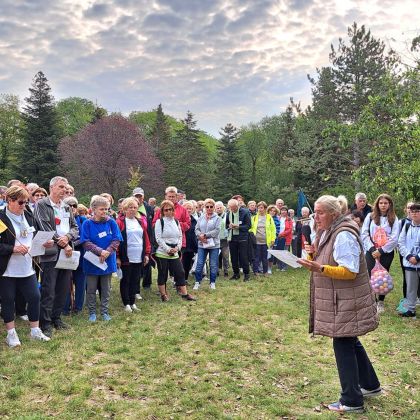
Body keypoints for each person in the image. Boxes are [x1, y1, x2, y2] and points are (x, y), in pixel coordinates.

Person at [298, 195, 380, 414]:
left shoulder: (343, 234)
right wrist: (314, 256)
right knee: (350, 340)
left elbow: (350, 270)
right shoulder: (329, 231)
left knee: (343, 343)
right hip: (341, 298)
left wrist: (320, 268)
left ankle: (352, 400)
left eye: (321, 212)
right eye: (315, 212)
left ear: (334, 214)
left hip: (345, 300)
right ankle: (370, 385)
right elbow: (329, 259)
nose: (316, 217)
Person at [0, 186, 50, 347]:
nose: (24, 205)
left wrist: (44, 242)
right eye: (21, 202)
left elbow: (34, 235)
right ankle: (11, 334)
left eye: (26, 202)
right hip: (7, 269)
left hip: (27, 267)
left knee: (35, 297)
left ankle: (35, 331)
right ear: (9, 200)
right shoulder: (1, 218)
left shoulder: (28, 216)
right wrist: (13, 249)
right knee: (8, 300)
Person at [34, 176, 79, 338]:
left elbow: (75, 227)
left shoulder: (67, 206)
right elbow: (45, 227)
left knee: (62, 288)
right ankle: (45, 323)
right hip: (51, 253)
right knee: (49, 289)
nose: (64, 191)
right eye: (61, 187)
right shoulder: (42, 204)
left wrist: (68, 237)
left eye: (65, 188)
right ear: (51, 187)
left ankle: (56, 318)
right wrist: (64, 243)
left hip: (67, 252)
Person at [80, 195, 122, 322]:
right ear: (93, 209)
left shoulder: (111, 222)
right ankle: (92, 312)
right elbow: (85, 242)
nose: (105, 212)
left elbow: (117, 239)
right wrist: (100, 251)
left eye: (107, 209)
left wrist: (107, 252)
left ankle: (104, 311)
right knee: (91, 289)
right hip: (92, 260)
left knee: (106, 289)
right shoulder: (87, 223)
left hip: (108, 261)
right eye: (102, 209)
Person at [361, 193, 399, 313]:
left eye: (385, 203)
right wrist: (372, 249)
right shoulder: (370, 216)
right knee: (371, 275)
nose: (383, 205)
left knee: (382, 276)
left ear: (389, 205)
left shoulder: (393, 218)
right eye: (381, 203)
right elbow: (364, 233)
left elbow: (394, 237)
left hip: (386, 252)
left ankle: (381, 301)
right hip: (371, 251)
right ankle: (372, 300)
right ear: (377, 204)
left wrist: (381, 251)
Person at [154, 200, 195, 301]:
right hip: (162, 253)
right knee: (163, 274)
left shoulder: (176, 221)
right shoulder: (160, 222)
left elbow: (180, 236)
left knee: (180, 272)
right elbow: (158, 238)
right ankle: (163, 295)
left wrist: (177, 247)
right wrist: (168, 249)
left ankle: (184, 293)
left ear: (173, 210)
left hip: (175, 252)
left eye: (170, 209)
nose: (168, 211)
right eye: (166, 210)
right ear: (162, 211)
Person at [116, 197, 151, 313]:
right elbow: (116, 240)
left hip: (138, 255)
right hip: (126, 256)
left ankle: (133, 302)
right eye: (130, 207)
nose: (132, 209)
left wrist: (146, 254)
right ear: (125, 209)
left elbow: (145, 238)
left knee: (135, 280)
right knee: (126, 280)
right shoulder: (120, 222)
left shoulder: (140, 222)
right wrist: (117, 257)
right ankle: (126, 303)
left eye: (135, 207)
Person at [62, 196, 86, 315]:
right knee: (66, 282)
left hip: (80, 256)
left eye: (74, 205)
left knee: (80, 283)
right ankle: (65, 308)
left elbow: (85, 237)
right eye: (69, 205)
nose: (72, 208)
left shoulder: (83, 220)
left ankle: (78, 308)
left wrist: (72, 243)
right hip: (65, 255)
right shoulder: (62, 220)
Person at [397, 203, 420, 318]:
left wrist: (418, 257)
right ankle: (410, 310)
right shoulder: (406, 226)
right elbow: (400, 243)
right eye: (412, 212)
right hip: (409, 262)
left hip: (418, 260)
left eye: (417, 211)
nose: (414, 214)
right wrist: (409, 256)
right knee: (411, 287)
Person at [193, 198, 221, 290]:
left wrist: (205, 235)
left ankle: (212, 282)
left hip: (214, 245)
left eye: (211, 206)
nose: (209, 208)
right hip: (202, 244)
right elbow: (196, 229)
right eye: (207, 206)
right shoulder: (201, 217)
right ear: (204, 207)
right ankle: (197, 282)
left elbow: (217, 231)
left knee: (213, 264)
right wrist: (200, 236)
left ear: (214, 207)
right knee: (200, 263)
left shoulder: (217, 218)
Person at [132, 187, 154, 291]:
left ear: (143, 196)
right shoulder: (130, 207)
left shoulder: (149, 208)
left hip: (147, 238)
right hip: (134, 239)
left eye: (140, 196)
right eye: (136, 196)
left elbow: (152, 223)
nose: (138, 198)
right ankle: (135, 286)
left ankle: (147, 284)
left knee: (147, 261)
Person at [226, 198, 251, 281]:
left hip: (242, 237)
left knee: (243, 257)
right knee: (233, 257)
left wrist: (238, 227)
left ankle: (246, 274)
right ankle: (236, 274)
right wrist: (229, 226)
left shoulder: (245, 212)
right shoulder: (229, 213)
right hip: (232, 238)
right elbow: (226, 225)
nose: (232, 209)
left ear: (238, 206)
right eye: (230, 208)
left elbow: (248, 226)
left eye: (234, 208)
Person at [250, 201, 276, 276]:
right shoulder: (254, 218)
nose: (259, 209)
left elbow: (273, 229)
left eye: (261, 208)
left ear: (265, 208)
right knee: (256, 257)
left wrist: (273, 239)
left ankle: (265, 272)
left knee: (265, 258)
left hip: (266, 241)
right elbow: (251, 228)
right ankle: (256, 271)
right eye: (258, 208)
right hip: (256, 241)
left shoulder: (269, 217)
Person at [182, 201, 198, 284]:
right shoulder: (180, 219)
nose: (188, 210)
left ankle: (185, 279)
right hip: (182, 245)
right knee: (181, 263)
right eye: (187, 208)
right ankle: (178, 280)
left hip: (191, 245)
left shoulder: (194, 220)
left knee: (187, 264)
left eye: (190, 209)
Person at [276, 206, 293, 271]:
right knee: (278, 252)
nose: (283, 211)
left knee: (285, 252)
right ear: (280, 211)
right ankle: (279, 266)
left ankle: (284, 267)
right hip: (278, 238)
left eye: (285, 210)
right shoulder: (278, 218)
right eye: (282, 210)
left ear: (287, 212)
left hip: (286, 238)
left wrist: (281, 234)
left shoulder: (289, 219)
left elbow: (289, 229)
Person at [215, 201, 229, 277]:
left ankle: (226, 271)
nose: (219, 209)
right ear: (215, 209)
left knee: (225, 256)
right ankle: (216, 271)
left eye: (220, 207)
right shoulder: (214, 216)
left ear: (223, 208)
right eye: (218, 208)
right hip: (216, 240)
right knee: (215, 256)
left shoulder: (227, 216)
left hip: (225, 239)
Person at [267, 205, 280, 275]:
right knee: (263, 254)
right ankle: (263, 267)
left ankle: (269, 268)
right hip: (263, 240)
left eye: (274, 211)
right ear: (268, 211)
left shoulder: (276, 220)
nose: (272, 212)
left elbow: (277, 231)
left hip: (272, 240)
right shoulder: (265, 218)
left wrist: (273, 239)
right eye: (271, 211)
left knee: (270, 255)